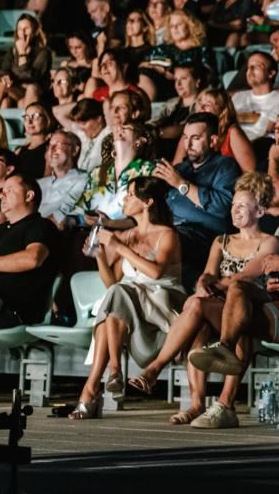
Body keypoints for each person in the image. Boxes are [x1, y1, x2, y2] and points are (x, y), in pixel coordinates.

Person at [131, 180, 279, 429]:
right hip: (268, 302)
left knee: (235, 299)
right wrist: (205, 284)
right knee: (199, 305)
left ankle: (222, 385)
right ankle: (170, 379)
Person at [68, 177, 184, 419]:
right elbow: (112, 283)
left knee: (116, 298)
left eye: (130, 194)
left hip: (162, 303)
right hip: (133, 303)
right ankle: (98, 383)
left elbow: (155, 272)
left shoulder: (168, 235)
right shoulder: (130, 235)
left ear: (147, 202)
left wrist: (118, 247)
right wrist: (100, 256)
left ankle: (105, 377)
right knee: (115, 295)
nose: (124, 199)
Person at [153, 112, 241, 265]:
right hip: (167, 229)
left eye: (195, 138)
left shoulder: (225, 165)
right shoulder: (179, 169)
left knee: (160, 245)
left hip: (202, 234)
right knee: (125, 238)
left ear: (213, 140)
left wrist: (181, 185)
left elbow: (223, 207)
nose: (188, 145)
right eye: (186, 137)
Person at [0, 174, 61, 328]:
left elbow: (33, 258)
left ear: (29, 195)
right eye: (1, 191)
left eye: (9, 190)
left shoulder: (41, 226)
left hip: (12, 308)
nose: (2, 195)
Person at [78, 122, 156, 225]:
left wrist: (110, 223)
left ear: (140, 141)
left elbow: (150, 215)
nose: (120, 129)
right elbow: (81, 211)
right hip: (93, 234)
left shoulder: (147, 170)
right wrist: (69, 220)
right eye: (118, 129)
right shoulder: (96, 173)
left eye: (126, 127)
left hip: (132, 236)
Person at [0, 13, 52, 109]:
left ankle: (29, 121)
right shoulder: (12, 51)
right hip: (18, 91)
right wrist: (5, 77)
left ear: (36, 32)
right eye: (20, 29)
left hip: (37, 94)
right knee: (4, 95)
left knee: (30, 90)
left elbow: (31, 77)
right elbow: (2, 70)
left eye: (26, 29)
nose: (22, 33)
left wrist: (22, 53)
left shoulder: (44, 53)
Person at [231, 52, 279, 140]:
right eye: (248, 66)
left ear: (271, 73)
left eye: (257, 66)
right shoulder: (237, 97)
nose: (250, 70)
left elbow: (268, 134)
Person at [37, 129, 87, 229]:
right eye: (50, 146)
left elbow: (62, 214)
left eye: (58, 144)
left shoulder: (83, 178)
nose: (52, 150)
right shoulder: (40, 183)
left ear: (74, 150)